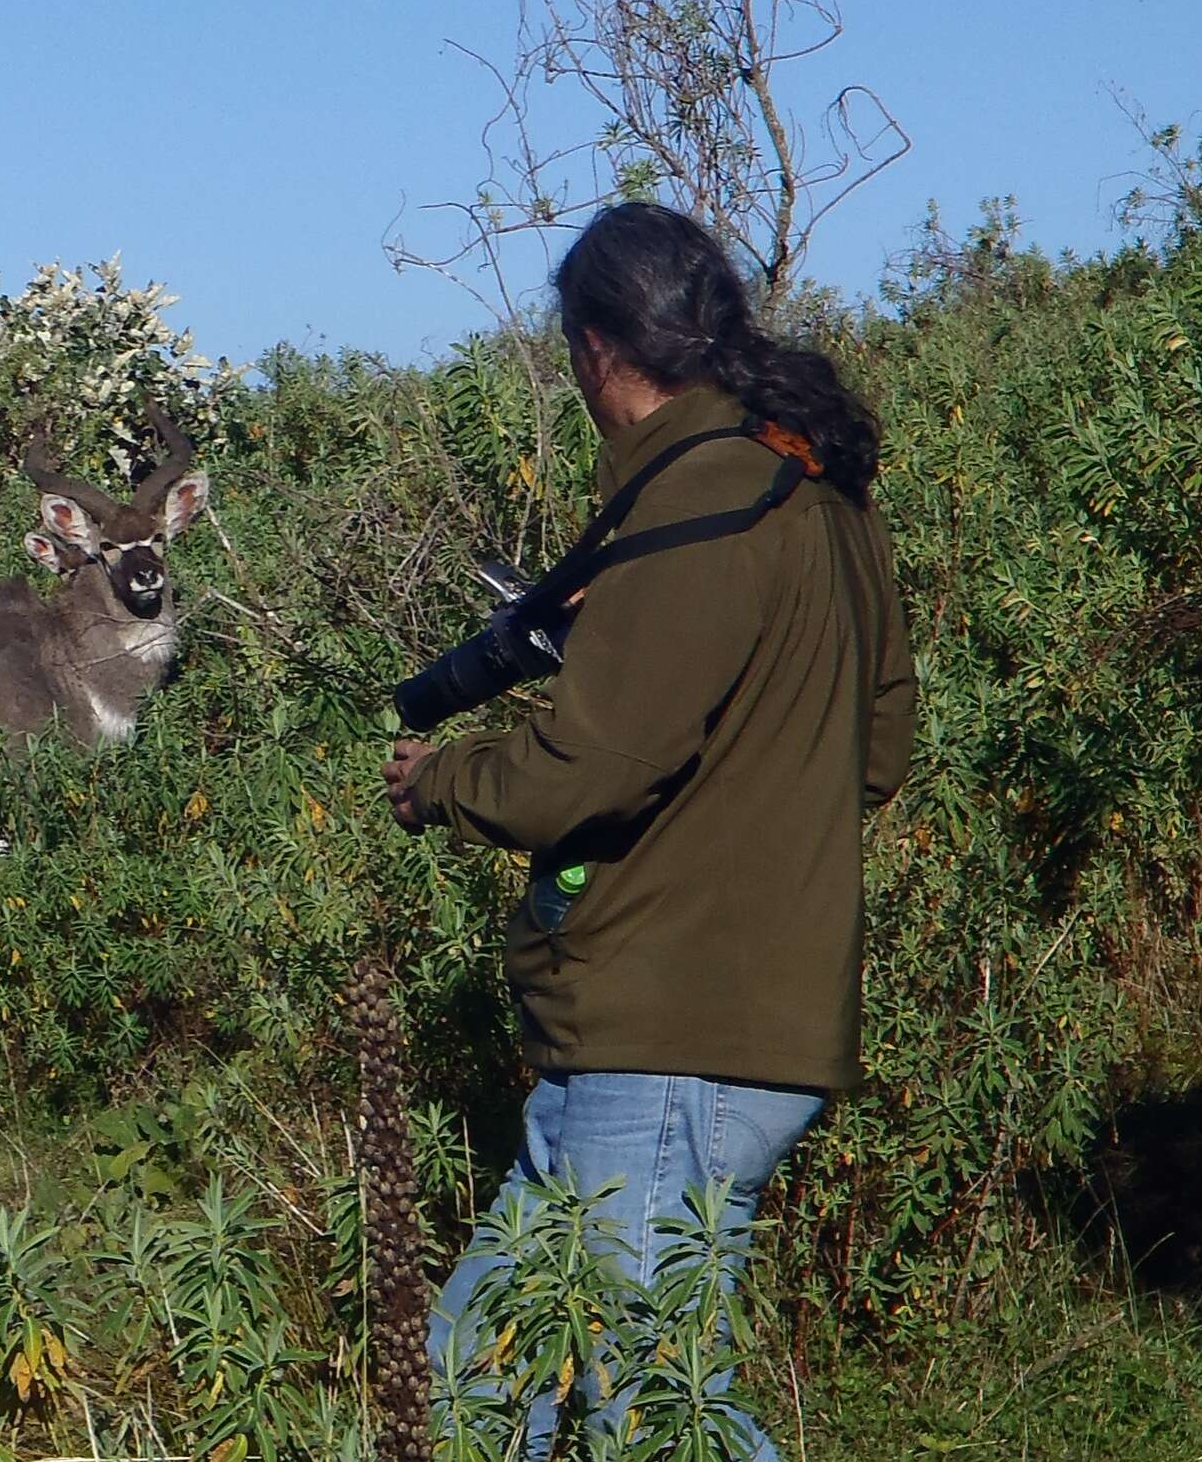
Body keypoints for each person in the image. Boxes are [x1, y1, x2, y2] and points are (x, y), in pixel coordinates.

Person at [381, 202, 916, 1457]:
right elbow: (873, 751)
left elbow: (586, 768)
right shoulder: (816, 492)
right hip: (671, 1040)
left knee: (659, 1417)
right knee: (462, 1391)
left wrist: (442, 778)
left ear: (594, 351)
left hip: (674, 1046)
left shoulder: (697, 509)